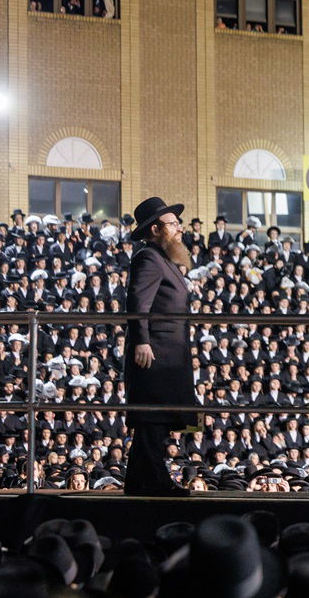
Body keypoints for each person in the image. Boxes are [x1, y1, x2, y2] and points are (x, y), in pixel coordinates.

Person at [123, 197, 195, 497]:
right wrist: (142, 341)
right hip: (155, 351)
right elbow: (138, 302)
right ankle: (156, 482)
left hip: (169, 352)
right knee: (153, 419)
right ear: (155, 229)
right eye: (173, 224)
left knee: (155, 421)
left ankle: (137, 483)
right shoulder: (148, 258)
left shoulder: (165, 259)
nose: (179, 229)